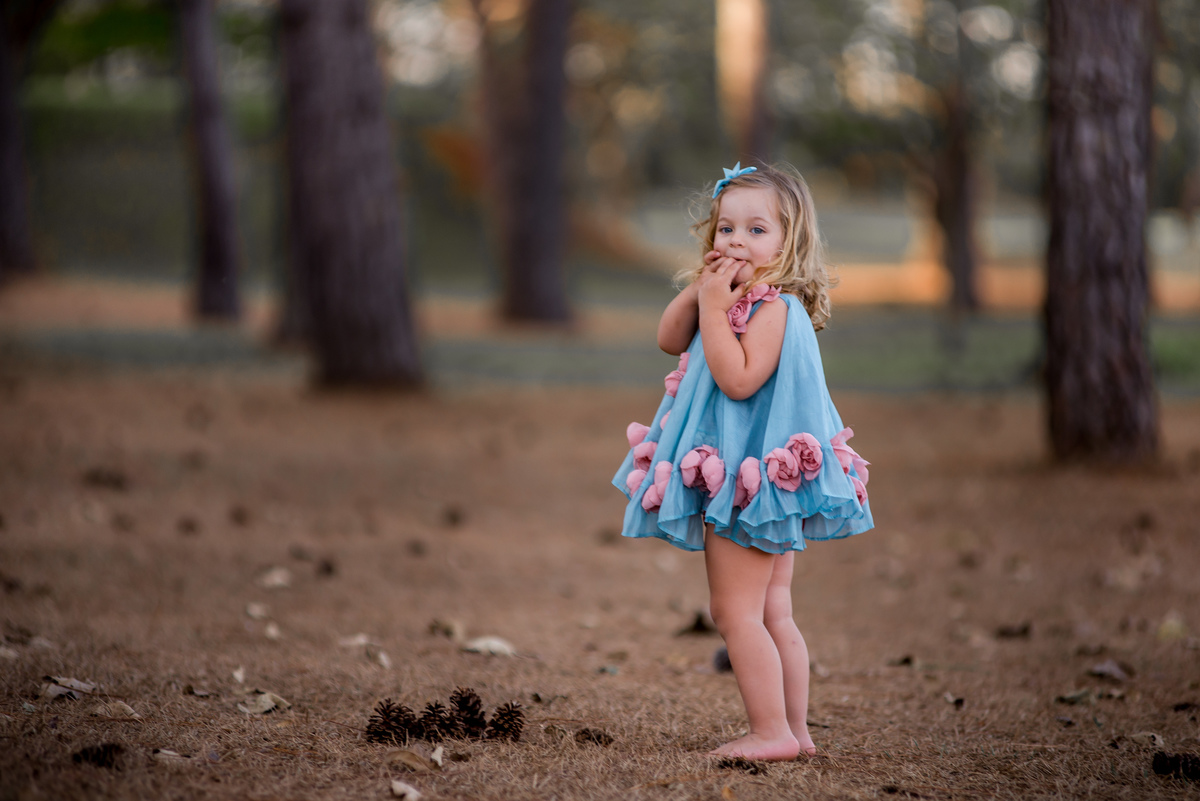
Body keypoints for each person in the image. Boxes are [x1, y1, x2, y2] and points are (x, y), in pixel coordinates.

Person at [613, 163, 873, 761]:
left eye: (757, 230)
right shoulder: (726, 294)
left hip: (748, 482)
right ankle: (796, 732)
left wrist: (713, 308)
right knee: (772, 610)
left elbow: (737, 380)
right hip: (746, 474)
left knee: (734, 611)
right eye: (725, 228)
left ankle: (770, 732)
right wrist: (701, 293)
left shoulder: (775, 309)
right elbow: (667, 336)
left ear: (790, 241)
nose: (735, 241)